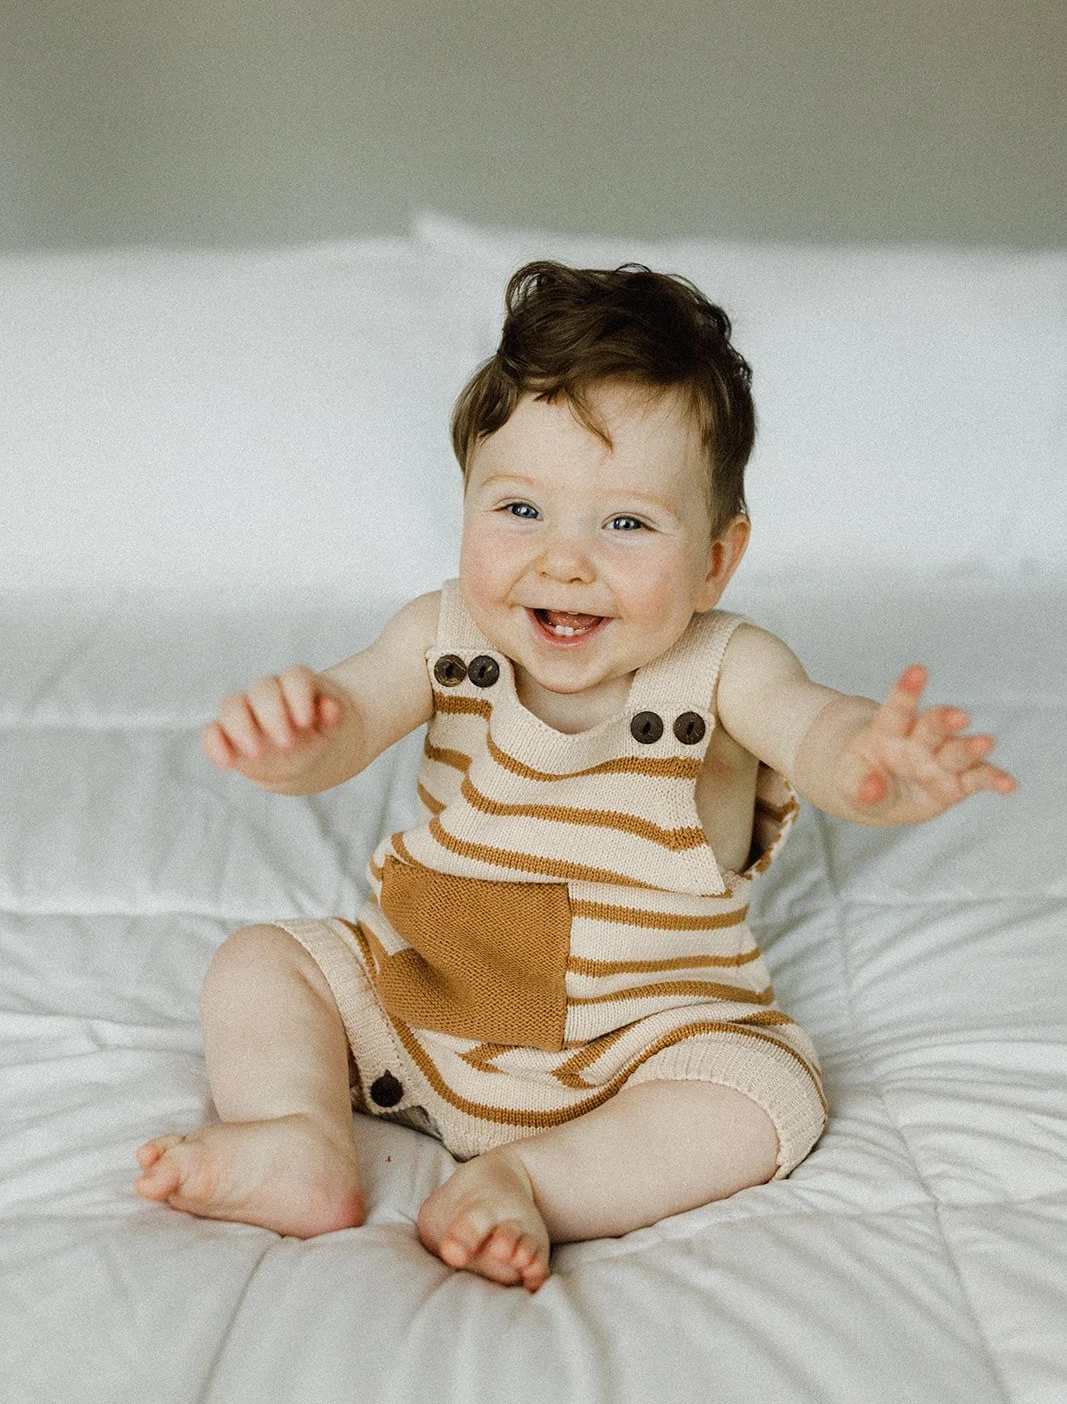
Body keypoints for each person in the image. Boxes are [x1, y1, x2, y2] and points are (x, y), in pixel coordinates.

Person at [135, 261, 1016, 1292]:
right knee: (258, 962)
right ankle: (297, 1138)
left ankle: (536, 1181)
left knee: (766, 1092)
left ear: (715, 561)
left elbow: (812, 728)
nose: (564, 560)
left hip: (641, 1037)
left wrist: (867, 766)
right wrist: (295, 743)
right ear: (463, 501)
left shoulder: (727, 663)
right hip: (428, 1002)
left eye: (627, 524)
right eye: (518, 510)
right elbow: (349, 716)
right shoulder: (439, 632)